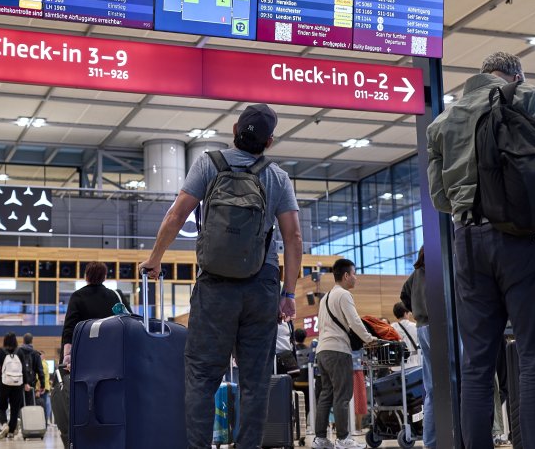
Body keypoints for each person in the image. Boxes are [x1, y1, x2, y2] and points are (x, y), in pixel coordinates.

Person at [143, 103, 303, 449]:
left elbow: (176, 215)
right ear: (270, 142)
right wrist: (288, 294)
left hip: (214, 284)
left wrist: (155, 259)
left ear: (234, 129)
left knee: (201, 375)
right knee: (255, 380)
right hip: (261, 285)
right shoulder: (277, 177)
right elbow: (293, 238)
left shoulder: (209, 164)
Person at [426, 52, 535, 449]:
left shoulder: (441, 123)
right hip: (520, 237)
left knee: (477, 364)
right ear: (515, 74)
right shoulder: (524, 96)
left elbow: (439, 198)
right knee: (534, 356)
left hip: (467, 240)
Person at [56, 261, 128, 447]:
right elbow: (128, 322)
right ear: (105, 276)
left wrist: (67, 358)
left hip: (85, 358)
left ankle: (85, 436)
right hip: (113, 357)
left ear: (86, 276)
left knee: (84, 398)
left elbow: (69, 329)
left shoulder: (78, 296)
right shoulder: (115, 296)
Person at [314, 259, 375, 449]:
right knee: (342, 395)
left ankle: (320, 439)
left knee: (326, 395)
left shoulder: (325, 297)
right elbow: (355, 322)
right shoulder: (344, 294)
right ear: (346, 275)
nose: (356, 278)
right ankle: (342, 439)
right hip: (338, 350)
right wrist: (369, 339)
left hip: (322, 351)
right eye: (354, 274)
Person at [0, 332, 32, 440]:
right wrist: (26, 383)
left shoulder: (0, 352)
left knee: (1, 407)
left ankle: (4, 425)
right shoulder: (20, 352)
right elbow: (24, 370)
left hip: (3, 383)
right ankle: (11, 431)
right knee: (15, 408)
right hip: (18, 384)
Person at [389, 303, 421, 367]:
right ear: (405, 313)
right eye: (409, 312)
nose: (410, 314)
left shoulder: (391, 327)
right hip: (413, 363)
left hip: (396, 364)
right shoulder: (415, 326)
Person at [20, 333, 46, 404]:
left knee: (19, 407)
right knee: (29, 406)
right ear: (32, 341)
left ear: (23, 341)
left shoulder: (18, 352)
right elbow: (40, 371)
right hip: (31, 385)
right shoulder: (35, 354)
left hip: (19, 384)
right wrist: (42, 385)